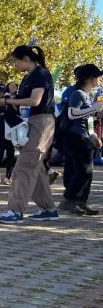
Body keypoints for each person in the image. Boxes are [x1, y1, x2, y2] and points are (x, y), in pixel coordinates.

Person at [0, 45, 59, 224]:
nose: (15, 65)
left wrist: (8, 101)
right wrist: (9, 100)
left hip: (42, 122)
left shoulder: (41, 73)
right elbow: (22, 102)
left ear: (26, 59)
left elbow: (35, 100)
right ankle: (48, 209)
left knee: (24, 167)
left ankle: (15, 210)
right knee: (34, 167)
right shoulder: (28, 77)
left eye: (16, 61)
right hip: (31, 122)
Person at [57, 64, 102, 216]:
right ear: (90, 78)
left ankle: (81, 201)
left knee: (87, 171)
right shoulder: (78, 94)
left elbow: (87, 119)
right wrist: (94, 108)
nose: (100, 79)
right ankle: (69, 200)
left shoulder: (86, 95)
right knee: (83, 170)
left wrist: (93, 136)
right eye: (98, 76)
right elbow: (72, 113)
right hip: (74, 136)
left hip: (83, 136)